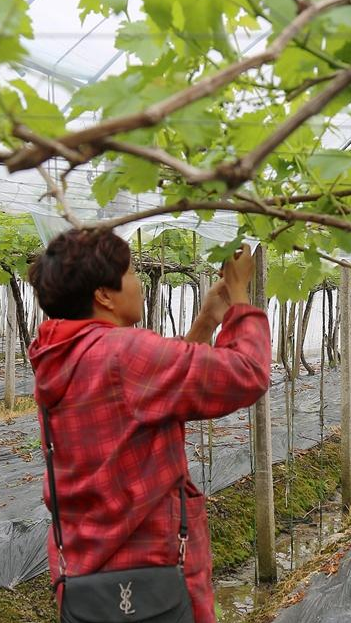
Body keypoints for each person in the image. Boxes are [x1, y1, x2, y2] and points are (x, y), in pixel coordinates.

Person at [27, 228, 271, 623]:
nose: (140, 284)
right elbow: (247, 374)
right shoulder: (123, 352)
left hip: (87, 574)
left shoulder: (60, 355)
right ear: (103, 295)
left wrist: (208, 322)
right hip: (148, 572)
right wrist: (241, 296)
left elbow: (160, 396)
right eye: (131, 273)